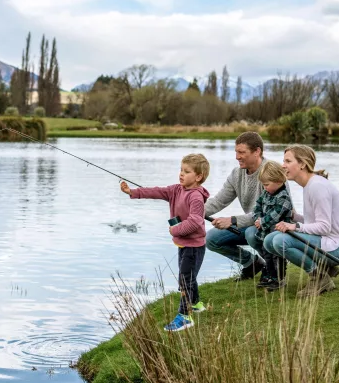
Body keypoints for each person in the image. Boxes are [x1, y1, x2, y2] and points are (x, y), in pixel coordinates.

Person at [120, 153, 210, 332]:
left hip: (194, 247)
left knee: (185, 280)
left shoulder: (196, 197)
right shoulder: (176, 190)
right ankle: (197, 304)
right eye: (181, 170)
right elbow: (156, 191)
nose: (181, 174)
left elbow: (195, 222)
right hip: (183, 244)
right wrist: (132, 192)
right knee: (188, 276)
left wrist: (174, 230)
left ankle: (185, 316)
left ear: (198, 177)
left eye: (187, 171)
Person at [264, 145, 339, 297]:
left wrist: (294, 226)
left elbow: (324, 227)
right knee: (269, 240)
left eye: (288, 161)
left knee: (280, 241)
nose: (283, 165)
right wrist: (294, 217)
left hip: (336, 248)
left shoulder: (317, 186)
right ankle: (324, 268)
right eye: (283, 161)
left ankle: (319, 277)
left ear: (302, 164)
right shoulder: (309, 185)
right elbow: (314, 223)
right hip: (325, 241)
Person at [205, 132, 281, 281]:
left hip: (273, 227)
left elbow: (267, 214)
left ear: (257, 151)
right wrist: (193, 210)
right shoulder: (236, 174)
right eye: (236, 152)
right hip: (251, 224)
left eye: (241, 152)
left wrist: (232, 220)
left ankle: (273, 267)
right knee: (211, 239)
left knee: (252, 233)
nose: (237, 157)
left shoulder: (271, 172)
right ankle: (252, 263)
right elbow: (219, 201)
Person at [252, 161, 293, 291]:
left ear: (278, 180)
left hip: (277, 234)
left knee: (277, 257)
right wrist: (257, 217)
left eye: (266, 184)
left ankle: (279, 279)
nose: (264, 187)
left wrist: (262, 221)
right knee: (267, 255)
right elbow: (257, 206)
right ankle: (270, 276)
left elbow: (275, 215)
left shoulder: (284, 197)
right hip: (265, 233)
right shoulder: (266, 193)